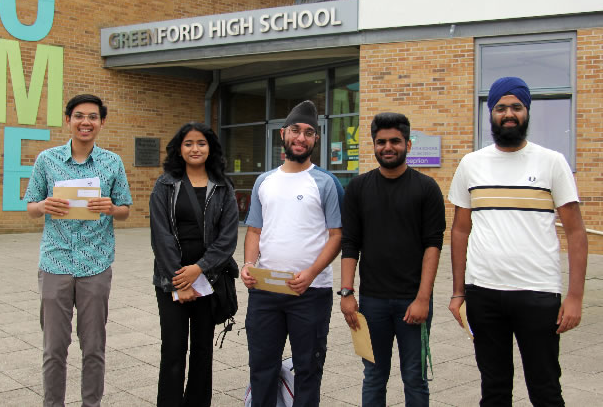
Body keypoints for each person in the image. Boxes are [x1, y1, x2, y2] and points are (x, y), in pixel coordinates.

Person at [448, 77, 588, 406]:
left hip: (538, 294)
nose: (508, 114)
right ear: (490, 113)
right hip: (483, 294)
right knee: (494, 390)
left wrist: (575, 297)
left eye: (516, 107)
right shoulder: (471, 164)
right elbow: (459, 230)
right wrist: (458, 292)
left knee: (546, 390)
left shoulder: (552, 162)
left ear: (527, 112)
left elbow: (577, 232)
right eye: (501, 108)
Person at [24, 94, 132, 407]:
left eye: (93, 117)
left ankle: (91, 404)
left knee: (94, 346)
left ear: (101, 122)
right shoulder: (47, 159)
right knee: (54, 347)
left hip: (95, 265)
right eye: (79, 116)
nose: (86, 122)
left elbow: (125, 209)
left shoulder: (112, 162)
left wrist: (111, 208)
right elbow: (31, 207)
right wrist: (43, 205)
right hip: (55, 263)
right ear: (69, 120)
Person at [240, 100, 343, 407]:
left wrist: (311, 273)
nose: (301, 137)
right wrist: (248, 264)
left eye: (309, 132)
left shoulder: (327, 183)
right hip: (266, 290)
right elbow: (255, 231)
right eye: (296, 130)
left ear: (316, 139)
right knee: (261, 367)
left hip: (311, 292)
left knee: (309, 368)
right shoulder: (264, 181)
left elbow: (337, 236)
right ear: (283, 134)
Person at [340, 112, 446, 406]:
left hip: (413, 300)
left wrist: (423, 298)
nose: (388, 147)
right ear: (373, 145)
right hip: (372, 302)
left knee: (415, 377)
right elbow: (350, 244)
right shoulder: (358, 189)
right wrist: (346, 292)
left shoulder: (427, 189)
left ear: (408, 145)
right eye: (381, 141)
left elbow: (432, 246)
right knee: (374, 376)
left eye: (395, 141)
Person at [149, 122, 239, 407]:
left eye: (201, 143)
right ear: (180, 148)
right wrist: (179, 281)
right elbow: (160, 234)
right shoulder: (165, 184)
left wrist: (199, 270)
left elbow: (227, 238)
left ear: (210, 148)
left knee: (202, 350)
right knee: (173, 349)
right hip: (171, 278)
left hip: (209, 278)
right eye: (188, 143)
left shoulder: (223, 187)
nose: (195, 148)